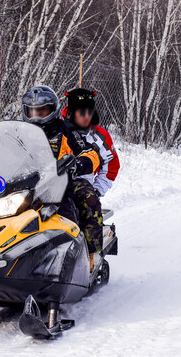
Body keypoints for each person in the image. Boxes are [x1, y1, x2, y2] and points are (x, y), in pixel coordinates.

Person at [21, 85, 103, 259]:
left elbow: (90, 152)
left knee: (90, 200)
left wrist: (79, 164)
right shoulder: (19, 132)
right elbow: (1, 150)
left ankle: (90, 253)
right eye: (33, 111)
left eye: (42, 111)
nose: (37, 115)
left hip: (62, 180)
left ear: (52, 110)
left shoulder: (66, 130)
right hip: (24, 181)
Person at [61, 88, 120, 266]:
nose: (86, 116)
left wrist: (97, 189)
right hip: (50, 179)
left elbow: (111, 166)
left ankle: (91, 253)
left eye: (90, 111)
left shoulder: (100, 136)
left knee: (90, 202)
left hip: (81, 182)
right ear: (71, 112)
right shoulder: (58, 128)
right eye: (81, 112)